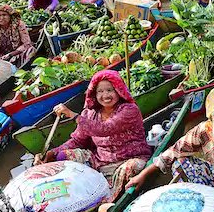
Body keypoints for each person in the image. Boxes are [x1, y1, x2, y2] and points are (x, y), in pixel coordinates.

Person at [38, 70, 152, 201]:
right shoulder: (90, 114)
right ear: (94, 94)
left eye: (110, 90)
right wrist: (53, 152)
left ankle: (107, 200)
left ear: (118, 91)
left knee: (131, 168)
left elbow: (105, 129)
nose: (105, 95)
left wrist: (72, 115)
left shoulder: (129, 110)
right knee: (62, 156)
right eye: (100, 91)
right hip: (99, 161)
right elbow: (77, 140)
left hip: (129, 159)